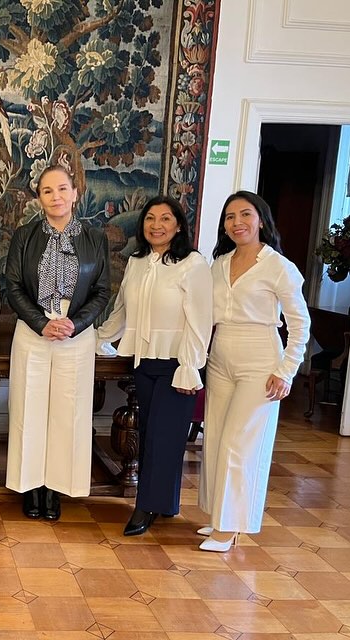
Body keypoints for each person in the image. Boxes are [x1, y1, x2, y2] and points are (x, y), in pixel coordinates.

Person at [197, 190, 310, 551]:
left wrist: (287, 370)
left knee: (240, 442)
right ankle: (218, 514)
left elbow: (300, 324)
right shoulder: (219, 264)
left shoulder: (278, 266)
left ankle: (229, 527)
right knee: (215, 438)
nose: (237, 222)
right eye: (230, 217)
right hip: (221, 355)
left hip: (260, 359)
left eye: (245, 214)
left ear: (261, 220)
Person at [96, 195, 212, 536]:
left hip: (177, 364)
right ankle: (165, 503)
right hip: (144, 362)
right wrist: (97, 338)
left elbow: (200, 322)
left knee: (164, 439)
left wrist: (190, 366)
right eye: (150, 218)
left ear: (178, 226)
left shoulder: (193, 264)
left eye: (165, 219)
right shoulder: (137, 262)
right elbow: (121, 311)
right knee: (152, 435)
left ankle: (145, 506)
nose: (156, 225)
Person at [5, 165, 110, 521]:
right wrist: (41, 323)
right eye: (47, 191)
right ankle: (30, 486)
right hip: (33, 330)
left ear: (75, 192)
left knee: (68, 412)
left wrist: (75, 324)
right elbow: (13, 287)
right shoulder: (25, 236)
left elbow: (102, 291)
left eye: (63, 189)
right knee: (29, 408)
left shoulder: (95, 238)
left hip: (75, 334)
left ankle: (56, 488)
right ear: (39, 197)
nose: (56, 197)